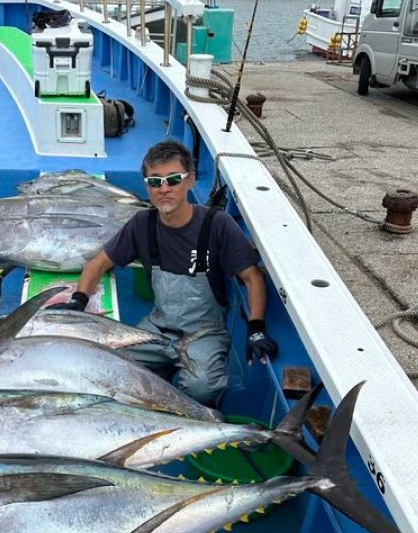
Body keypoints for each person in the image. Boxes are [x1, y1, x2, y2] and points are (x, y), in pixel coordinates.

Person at [60, 139, 278, 404]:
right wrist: (78, 300)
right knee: (109, 369)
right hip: (156, 329)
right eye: (155, 181)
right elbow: (98, 264)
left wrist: (256, 328)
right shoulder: (142, 223)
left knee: (202, 388)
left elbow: (253, 278)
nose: (164, 189)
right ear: (147, 186)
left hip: (204, 333)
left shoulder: (217, 224)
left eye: (173, 179)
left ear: (191, 180)